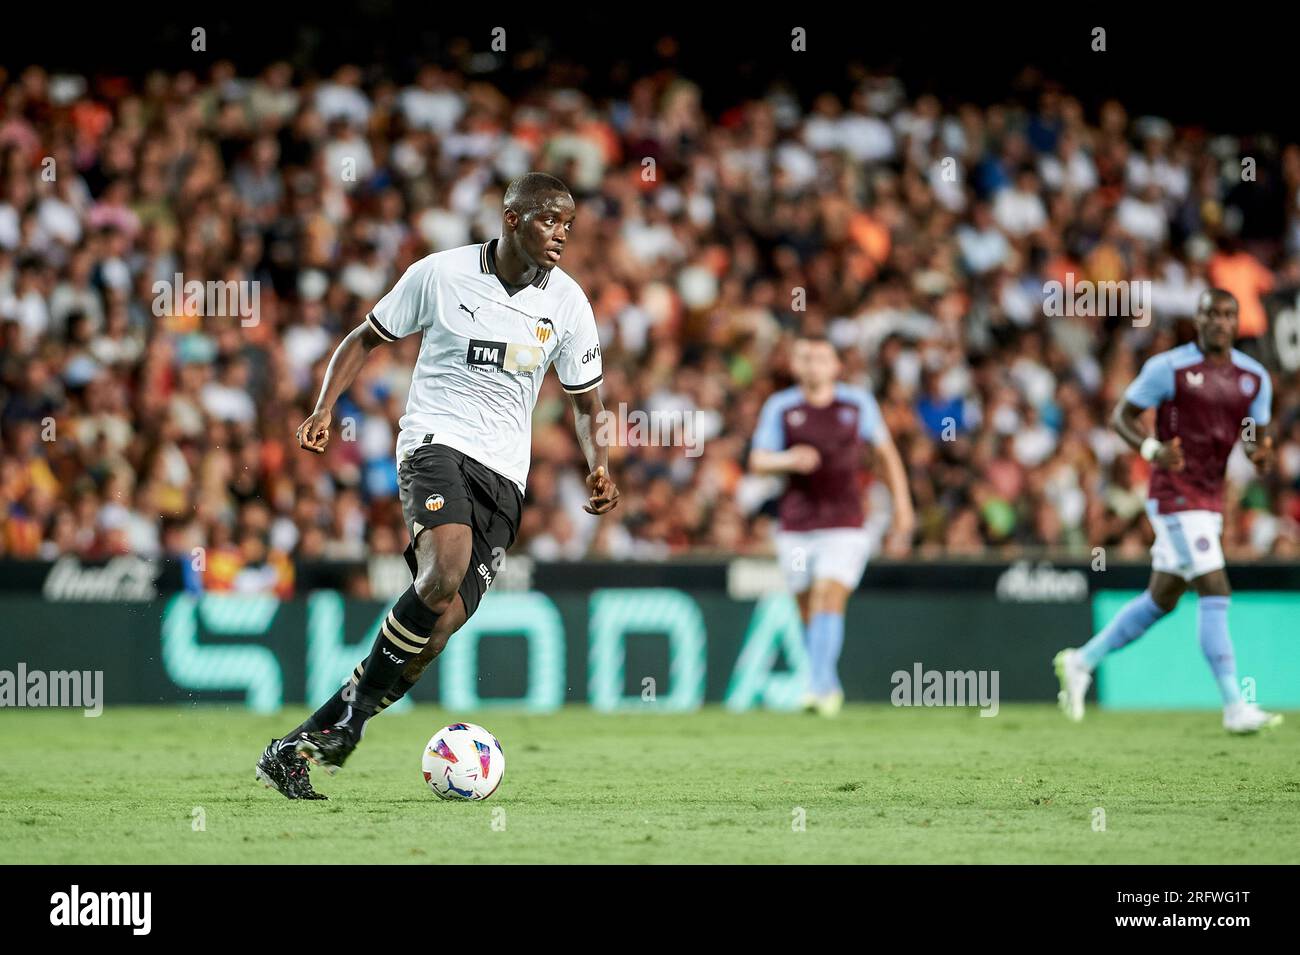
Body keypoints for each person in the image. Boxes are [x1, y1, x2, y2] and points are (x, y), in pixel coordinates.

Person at [256, 173, 620, 798]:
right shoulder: (441, 274)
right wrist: (323, 408)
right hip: (435, 443)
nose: (562, 233)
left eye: (569, 224)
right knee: (443, 569)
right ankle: (346, 719)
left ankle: (312, 738)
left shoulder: (569, 304)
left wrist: (599, 464)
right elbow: (363, 338)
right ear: (512, 218)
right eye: (549, 220)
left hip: (505, 477)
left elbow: (587, 404)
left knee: (439, 624)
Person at [1055, 289, 1281, 734]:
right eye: (1210, 314)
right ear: (1197, 320)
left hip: (1211, 496)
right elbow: (1123, 416)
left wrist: (1258, 452)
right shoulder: (1169, 368)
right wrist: (1151, 447)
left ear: (1237, 323)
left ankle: (1081, 661)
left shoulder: (1253, 377)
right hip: (1173, 494)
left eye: (1227, 315)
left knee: (1162, 599)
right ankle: (1235, 705)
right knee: (1215, 588)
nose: (1218, 321)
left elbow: (1253, 429)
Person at [749, 334, 914, 716]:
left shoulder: (857, 404)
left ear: (836, 367)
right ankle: (826, 683)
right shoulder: (782, 406)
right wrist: (789, 460)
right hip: (795, 526)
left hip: (846, 523)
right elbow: (758, 460)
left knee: (828, 593)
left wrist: (903, 505)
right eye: (806, 358)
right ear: (796, 367)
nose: (813, 365)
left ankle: (817, 687)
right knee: (807, 608)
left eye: (821, 358)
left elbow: (885, 453)